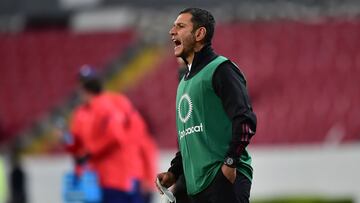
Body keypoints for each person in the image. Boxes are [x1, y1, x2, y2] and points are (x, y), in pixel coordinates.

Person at [156, 8, 257, 203]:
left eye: (180, 26)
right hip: (197, 186)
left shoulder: (221, 69)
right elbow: (190, 139)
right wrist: (174, 172)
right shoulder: (184, 82)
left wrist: (230, 163)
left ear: (200, 34)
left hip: (222, 180)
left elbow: (246, 120)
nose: (172, 31)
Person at [65, 65, 157, 203]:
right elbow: (75, 145)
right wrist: (68, 141)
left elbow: (123, 136)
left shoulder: (112, 104)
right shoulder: (81, 113)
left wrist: (89, 152)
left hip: (117, 176)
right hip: (99, 178)